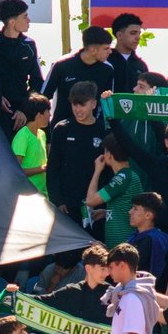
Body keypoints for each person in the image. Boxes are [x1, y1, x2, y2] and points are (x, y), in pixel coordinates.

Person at [6, 245, 111, 334]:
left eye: (107, 269)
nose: (107, 273)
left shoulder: (112, 293)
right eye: (103, 269)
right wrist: (13, 294)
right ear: (88, 268)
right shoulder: (72, 291)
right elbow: (42, 300)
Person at [48, 81, 107, 226]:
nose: (78, 109)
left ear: (93, 104)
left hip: (95, 203)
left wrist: (104, 203)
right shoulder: (62, 129)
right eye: (75, 104)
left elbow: (110, 169)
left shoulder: (104, 129)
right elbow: (53, 167)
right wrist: (58, 200)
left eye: (82, 104)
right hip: (67, 203)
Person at [84, 243, 156, 334]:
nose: (109, 272)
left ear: (122, 265)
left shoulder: (132, 298)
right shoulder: (126, 295)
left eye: (111, 267)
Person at [41, 25, 114, 125]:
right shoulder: (61, 65)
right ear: (93, 50)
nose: (110, 51)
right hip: (61, 128)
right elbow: (42, 98)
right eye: (106, 48)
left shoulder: (107, 70)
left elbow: (107, 104)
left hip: (92, 131)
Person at [0, 0, 43, 132]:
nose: (28, 20)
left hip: (23, 111)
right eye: (25, 17)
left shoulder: (29, 44)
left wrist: (24, 109)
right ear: (12, 22)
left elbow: (37, 81)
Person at [86, 134, 144, 247]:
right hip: (120, 244)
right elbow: (125, 204)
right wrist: (106, 213)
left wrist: (97, 170)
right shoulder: (127, 175)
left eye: (105, 151)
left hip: (122, 244)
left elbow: (90, 200)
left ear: (109, 154)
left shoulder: (122, 177)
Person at [126, 192, 168, 282]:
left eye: (135, 209)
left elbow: (128, 267)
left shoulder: (152, 239)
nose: (130, 212)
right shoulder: (135, 236)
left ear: (148, 215)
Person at [12, 93, 50, 196]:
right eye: (48, 111)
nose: (50, 115)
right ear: (39, 115)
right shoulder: (23, 136)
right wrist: (41, 168)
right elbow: (16, 171)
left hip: (43, 194)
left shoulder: (42, 134)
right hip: (28, 195)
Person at [107, 13, 148, 93]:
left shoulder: (141, 65)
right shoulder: (106, 60)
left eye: (139, 33)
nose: (138, 37)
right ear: (119, 35)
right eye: (133, 33)